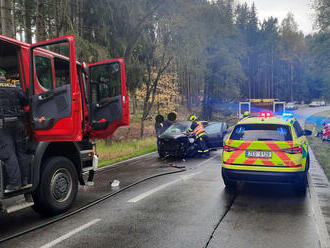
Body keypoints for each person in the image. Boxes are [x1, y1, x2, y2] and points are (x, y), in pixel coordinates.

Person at [0, 71, 30, 192]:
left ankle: (14, 184)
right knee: (21, 152)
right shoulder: (15, 87)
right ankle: (24, 180)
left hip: (3, 126)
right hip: (19, 124)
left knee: (9, 154)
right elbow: (26, 103)